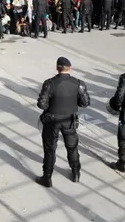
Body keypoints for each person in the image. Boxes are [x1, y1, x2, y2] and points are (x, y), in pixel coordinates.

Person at [36, 57, 90, 187]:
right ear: (69, 68)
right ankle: (76, 173)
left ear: (57, 68)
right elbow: (85, 103)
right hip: (69, 120)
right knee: (72, 148)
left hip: (52, 120)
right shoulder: (78, 83)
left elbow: (42, 104)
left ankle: (47, 177)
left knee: (50, 149)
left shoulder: (49, 83)